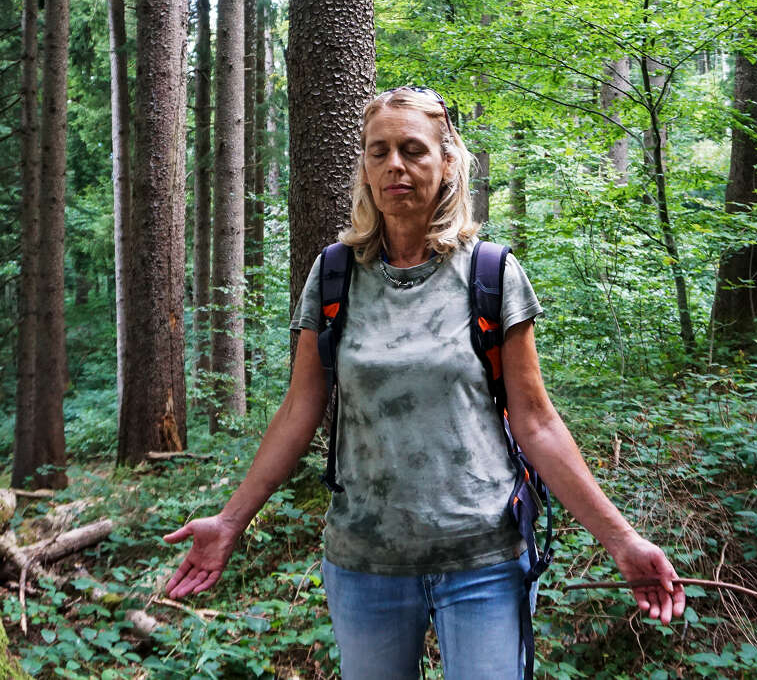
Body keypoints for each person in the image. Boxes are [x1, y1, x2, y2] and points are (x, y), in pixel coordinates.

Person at [164, 86, 685, 679]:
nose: (395, 166)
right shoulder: (335, 273)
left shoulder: (489, 273)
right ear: (363, 165)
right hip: (365, 562)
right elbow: (298, 410)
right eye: (378, 151)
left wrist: (621, 541)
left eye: (413, 150)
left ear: (447, 162)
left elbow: (535, 422)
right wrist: (230, 521)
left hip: (484, 559)